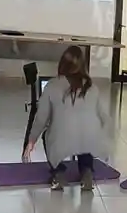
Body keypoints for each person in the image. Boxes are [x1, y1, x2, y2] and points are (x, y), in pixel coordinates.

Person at [23, 45, 112, 192]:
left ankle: (58, 174)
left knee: (48, 134)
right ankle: (86, 172)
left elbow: (41, 119)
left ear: (62, 63)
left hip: (63, 141)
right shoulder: (92, 87)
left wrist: (31, 140)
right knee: (86, 131)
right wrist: (103, 139)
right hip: (89, 141)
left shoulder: (52, 85)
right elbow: (105, 118)